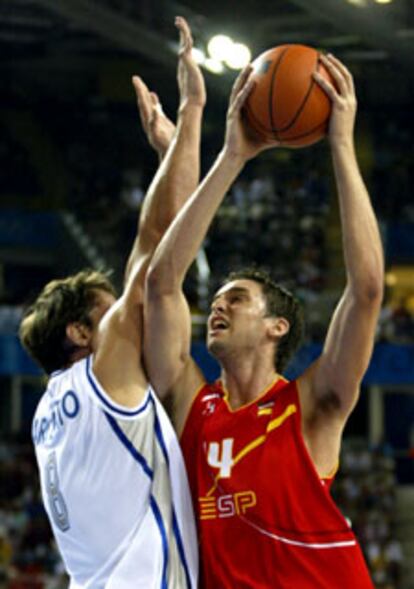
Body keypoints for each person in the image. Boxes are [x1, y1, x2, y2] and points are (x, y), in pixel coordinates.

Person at [144, 55, 383, 588]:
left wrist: (341, 145)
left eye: (237, 298)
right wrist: (230, 156)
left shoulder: (311, 406)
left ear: (276, 327)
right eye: (219, 299)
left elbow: (366, 291)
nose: (218, 306)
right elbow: (160, 287)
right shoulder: (192, 407)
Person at [19, 17, 205, 589]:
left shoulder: (47, 414)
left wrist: (173, 157)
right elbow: (154, 248)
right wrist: (191, 120)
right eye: (110, 308)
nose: (128, 312)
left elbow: (161, 250)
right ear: (79, 333)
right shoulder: (102, 377)